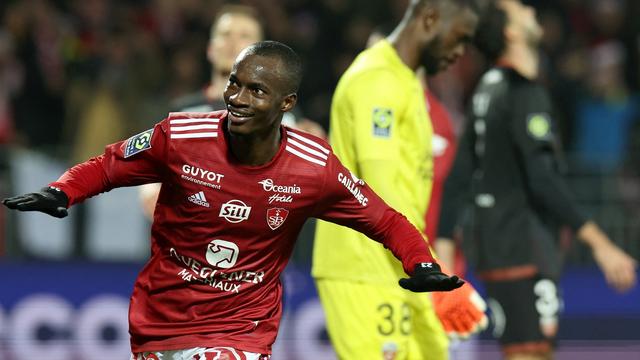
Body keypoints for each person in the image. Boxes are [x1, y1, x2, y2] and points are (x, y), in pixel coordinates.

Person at [3, 41, 464, 360]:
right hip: (160, 318)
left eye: (256, 91)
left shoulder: (313, 166)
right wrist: (61, 190)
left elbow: (384, 219)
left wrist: (419, 263)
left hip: (242, 328)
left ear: (287, 103)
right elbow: (109, 165)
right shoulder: (180, 136)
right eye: (234, 84)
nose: (237, 99)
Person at [437, 1, 638, 359]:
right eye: (521, 10)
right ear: (511, 33)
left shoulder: (487, 89)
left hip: (500, 243)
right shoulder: (522, 94)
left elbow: (459, 176)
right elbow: (543, 179)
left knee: (531, 352)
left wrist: (445, 247)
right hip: (521, 245)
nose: (531, 11)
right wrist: (600, 244)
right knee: (529, 353)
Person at [312, 1, 486, 359]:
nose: (460, 52)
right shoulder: (376, 79)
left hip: (401, 265)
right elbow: (383, 191)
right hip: (364, 268)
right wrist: (435, 275)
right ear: (430, 19)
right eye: (459, 38)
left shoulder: (405, 81)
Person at [139, 4, 325, 218]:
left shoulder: (285, 117)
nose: (232, 42)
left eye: (244, 36)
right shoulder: (181, 114)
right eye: (225, 34)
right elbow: (151, 194)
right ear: (210, 48)